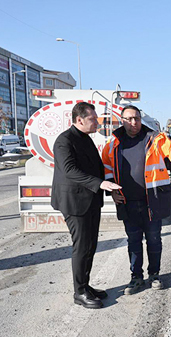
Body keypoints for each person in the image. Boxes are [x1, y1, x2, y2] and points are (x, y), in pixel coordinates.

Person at [101, 105, 171, 295]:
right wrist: (110, 188)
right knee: (133, 242)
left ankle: (154, 275)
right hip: (127, 202)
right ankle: (136, 278)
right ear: (121, 120)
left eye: (137, 118)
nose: (134, 122)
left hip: (152, 201)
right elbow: (106, 165)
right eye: (129, 119)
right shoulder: (113, 143)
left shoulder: (155, 139)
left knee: (154, 240)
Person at [51, 102, 122, 309]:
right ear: (79, 119)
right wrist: (101, 184)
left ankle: (86, 285)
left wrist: (108, 189)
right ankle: (79, 292)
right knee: (81, 247)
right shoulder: (64, 141)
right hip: (75, 203)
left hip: (90, 200)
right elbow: (69, 170)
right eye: (93, 119)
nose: (97, 123)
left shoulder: (86, 139)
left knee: (91, 245)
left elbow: (96, 168)